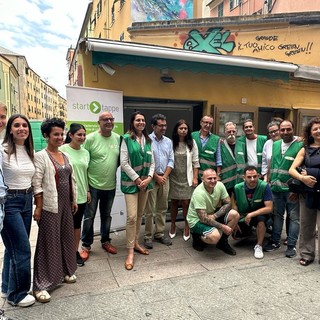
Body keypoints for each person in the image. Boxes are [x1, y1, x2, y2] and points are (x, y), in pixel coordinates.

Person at [32, 118, 78, 303]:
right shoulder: (40, 156)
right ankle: (41, 285)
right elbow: (37, 184)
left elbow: (70, 179)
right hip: (51, 206)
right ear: (46, 136)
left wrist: (74, 200)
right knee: (48, 243)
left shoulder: (65, 155)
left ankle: (66, 272)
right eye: (55, 134)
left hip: (66, 205)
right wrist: (39, 207)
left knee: (66, 238)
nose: (59, 137)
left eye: (61, 134)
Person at [1, 115, 35, 307]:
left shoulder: (29, 149)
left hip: (26, 201)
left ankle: (7, 287)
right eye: (17, 125)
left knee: (12, 248)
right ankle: (18, 294)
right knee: (22, 250)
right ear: (10, 129)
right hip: (9, 202)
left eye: (24, 125)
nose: (21, 128)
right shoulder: (2, 149)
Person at [80, 112, 121, 261]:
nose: (109, 122)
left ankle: (105, 241)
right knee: (89, 216)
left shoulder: (118, 138)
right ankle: (86, 245)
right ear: (99, 122)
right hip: (93, 185)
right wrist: (87, 189)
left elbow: (118, 161)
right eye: (105, 119)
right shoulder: (90, 139)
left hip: (110, 186)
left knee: (106, 215)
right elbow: (83, 164)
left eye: (111, 119)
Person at [120, 111, 155, 270]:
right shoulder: (126, 139)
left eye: (143, 120)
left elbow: (153, 162)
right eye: (138, 120)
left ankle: (136, 244)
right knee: (132, 217)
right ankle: (130, 252)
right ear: (132, 122)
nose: (141, 122)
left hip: (145, 183)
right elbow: (124, 162)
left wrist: (148, 177)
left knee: (140, 215)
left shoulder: (148, 140)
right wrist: (137, 179)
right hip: (131, 184)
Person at [264, 120, 303, 258]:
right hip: (275, 189)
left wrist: (297, 189)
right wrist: (268, 183)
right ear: (279, 131)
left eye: (288, 129)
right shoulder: (275, 145)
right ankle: (275, 241)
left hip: (292, 191)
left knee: (294, 218)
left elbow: (302, 168)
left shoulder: (300, 144)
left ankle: (291, 245)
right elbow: (271, 166)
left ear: (293, 129)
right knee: (277, 216)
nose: (285, 132)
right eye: (283, 130)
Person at [289, 117, 320, 266]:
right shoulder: (305, 149)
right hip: (308, 192)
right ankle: (307, 254)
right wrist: (304, 178)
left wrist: (311, 172)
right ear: (310, 133)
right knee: (307, 225)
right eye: (315, 129)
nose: (318, 131)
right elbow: (291, 170)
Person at [187, 168, 239, 254]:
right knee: (215, 237)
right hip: (196, 220)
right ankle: (198, 237)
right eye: (209, 178)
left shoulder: (220, 185)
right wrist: (222, 227)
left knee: (235, 215)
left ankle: (222, 243)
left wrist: (215, 216)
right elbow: (203, 219)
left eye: (215, 178)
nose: (213, 181)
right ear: (202, 179)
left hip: (211, 214)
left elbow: (228, 204)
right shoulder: (199, 193)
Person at [60, 123, 90, 267]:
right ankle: (62, 253)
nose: (82, 137)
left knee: (77, 225)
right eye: (79, 134)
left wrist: (88, 190)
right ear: (70, 135)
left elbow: (86, 173)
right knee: (65, 226)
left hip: (82, 194)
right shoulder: (62, 150)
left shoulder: (85, 152)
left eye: (84, 135)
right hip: (67, 196)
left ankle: (74, 252)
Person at [143, 114, 174, 249]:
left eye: (165, 125)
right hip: (151, 178)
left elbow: (171, 160)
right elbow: (146, 161)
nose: (163, 128)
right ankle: (148, 236)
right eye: (160, 125)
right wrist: (156, 177)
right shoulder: (146, 140)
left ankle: (159, 233)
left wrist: (164, 177)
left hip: (165, 179)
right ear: (153, 126)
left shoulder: (169, 141)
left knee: (162, 208)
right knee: (150, 210)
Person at [169, 119, 199, 241]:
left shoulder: (192, 143)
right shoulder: (170, 143)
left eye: (185, 128)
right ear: (176, 130)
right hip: (173, 178)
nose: (183, 130)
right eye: (181, 128)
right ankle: (172, 224)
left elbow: (195, 162)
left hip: (187, 178)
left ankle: (187, 226)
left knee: (186, 203)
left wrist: (195, 178)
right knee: (174, 202)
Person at [233, 166, 273, 259]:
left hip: (258, 214)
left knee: (261, 220)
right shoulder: (237, 187)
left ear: (258, 176)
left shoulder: (264, 186)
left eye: (255, 176)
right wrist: (235, 220)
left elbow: (269, 208)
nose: (252, 179)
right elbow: (234, 204)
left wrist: (251, 214)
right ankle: (249, 231)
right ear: (244, 177)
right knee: (237, 236)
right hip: (243, 215)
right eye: (249, 177)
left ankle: (259, 246)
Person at [192, 115, 221, 181]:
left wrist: (218, 175)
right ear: (201, 123)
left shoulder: (216, 139)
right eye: (206, 122)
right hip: (193, 175)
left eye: (210, 123)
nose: (208, 125)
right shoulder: (192, 136)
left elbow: (218, 160)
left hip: (209, 177)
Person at [220, 121, 237, 196]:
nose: (231, 133)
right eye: (229, 131)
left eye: (233, 131)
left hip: (239, 182)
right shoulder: (220, 145)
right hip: (226, 182)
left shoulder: (241, 145)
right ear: (224, 133)